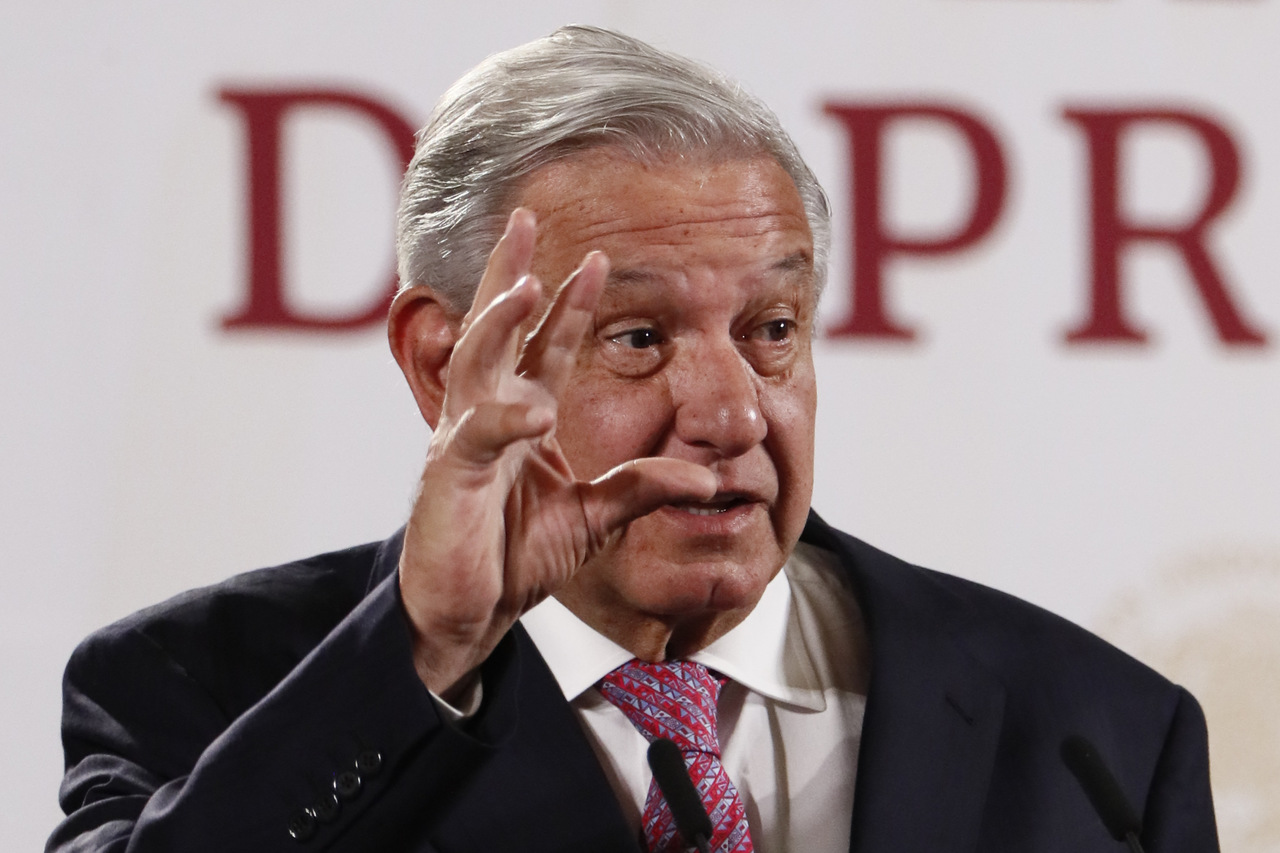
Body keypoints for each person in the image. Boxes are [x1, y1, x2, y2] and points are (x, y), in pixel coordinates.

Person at [48, 25, 1218, 853]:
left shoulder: (1099, 729)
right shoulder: (197, 686)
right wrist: (419, 651)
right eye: (639, 336)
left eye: (770, 328)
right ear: (441, 361)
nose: (731, 414)